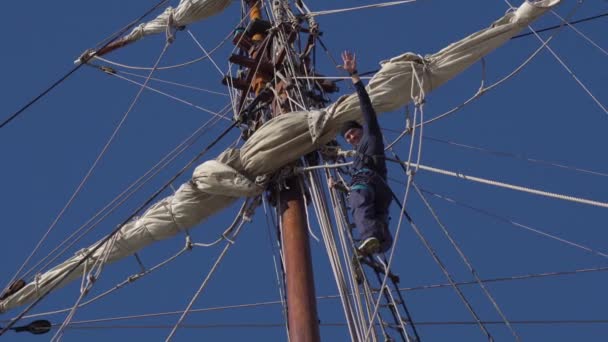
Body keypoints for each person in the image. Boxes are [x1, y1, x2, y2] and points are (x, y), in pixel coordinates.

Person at [337, 51, 393, 255]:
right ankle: (380, 241)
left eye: (353, 133)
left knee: (358, 203)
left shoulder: (371, 136)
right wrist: (338, 186)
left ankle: (369, 236)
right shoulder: (356, 157)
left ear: (361, 129)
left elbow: (367, 108)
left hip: (369, 183)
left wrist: (354, 76)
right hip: (380, 191)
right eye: (348, 138)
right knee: (377, 216)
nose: (351, 138)